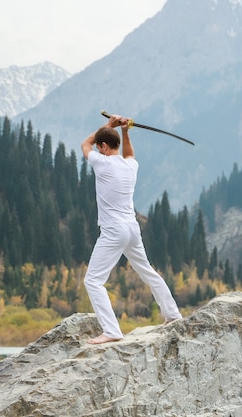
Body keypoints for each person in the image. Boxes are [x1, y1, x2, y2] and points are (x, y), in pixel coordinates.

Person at [81, 113, 183, 344]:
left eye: (100, 147)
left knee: (93, 281)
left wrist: (110, 125)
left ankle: (112, 331)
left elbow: (85, 144)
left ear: (104, 147)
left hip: (113, 231)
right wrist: (125, 130)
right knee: (147, 271)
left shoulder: (101, 162)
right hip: (132, 229)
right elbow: (130, 154)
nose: (97, 150)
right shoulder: (131, 166)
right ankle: (172, 314)